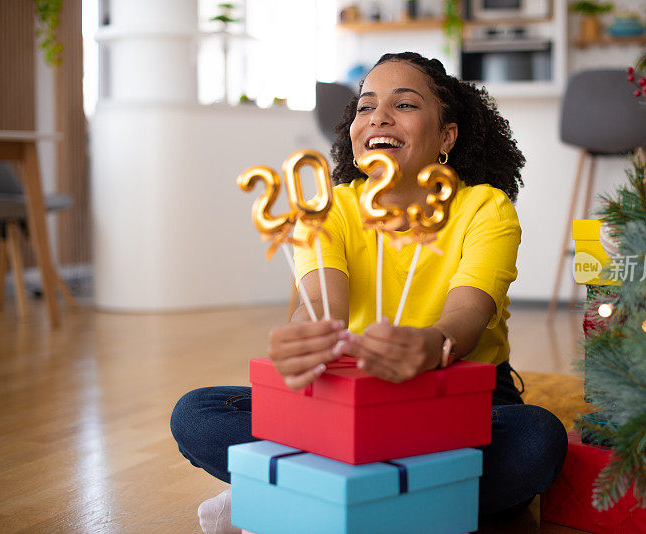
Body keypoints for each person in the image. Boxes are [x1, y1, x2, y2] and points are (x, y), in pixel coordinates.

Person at [171, 51, 567, 534]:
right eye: (365, 106)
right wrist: (306, 340)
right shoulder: (330, 208)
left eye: (405, 105)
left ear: (447, 136)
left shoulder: (484, 208)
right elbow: (322, 307)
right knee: (197, 413)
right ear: (354, 133)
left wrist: (431, 345)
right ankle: (411, 498)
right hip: (346, 395)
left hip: (460, 396)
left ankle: (312, 493)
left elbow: (467, 312)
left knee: (536, 440)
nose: (378, 116)